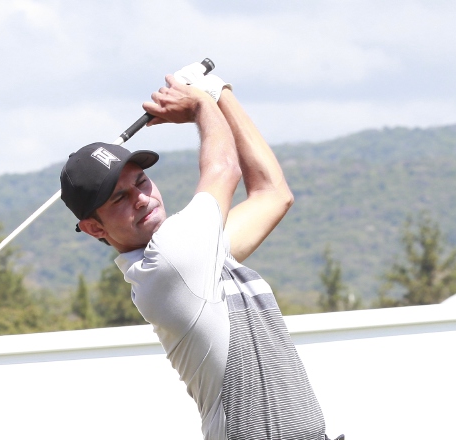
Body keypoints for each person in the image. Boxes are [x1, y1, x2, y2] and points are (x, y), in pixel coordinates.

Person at [60, 65, 340, 440]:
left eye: (141, 181)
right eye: (119, 198)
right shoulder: (170, 262)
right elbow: (224, 167)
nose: (142, 198)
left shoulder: (197, 253)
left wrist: (219, 92)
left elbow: (272, 194)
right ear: (95, 228)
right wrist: (200, 106)